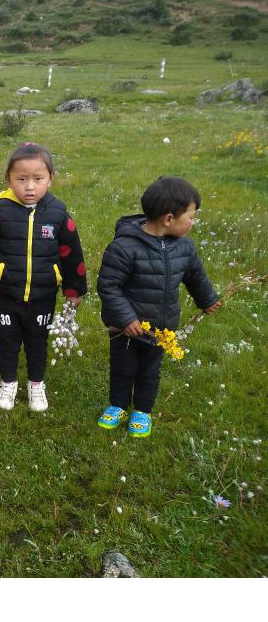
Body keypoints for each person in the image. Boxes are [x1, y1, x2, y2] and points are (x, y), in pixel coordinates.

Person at [0, 142, 87, 412]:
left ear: (50, 179)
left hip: (43, 296)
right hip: (6, 295)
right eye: (21, 179)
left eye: (38, 179)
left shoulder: (58, 215)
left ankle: (36, 384)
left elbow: (72, 255)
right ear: (8, 179)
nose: (29, 187)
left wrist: (74, 290)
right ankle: (8, 383)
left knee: (37, 341)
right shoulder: (0, 213)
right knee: (7, 341)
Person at [96, 176, 220, 438]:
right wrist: (126, 318)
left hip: (161, 328)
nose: (193, 222)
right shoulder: (124, 247)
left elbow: (196, 277)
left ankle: (142, 411)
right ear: (168, 218)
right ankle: (118, 405)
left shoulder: (185, 248)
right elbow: (109, 286)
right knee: (123, 368)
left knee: (149, 371)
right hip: (125, 329)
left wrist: (207, 299)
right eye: (191, 216)